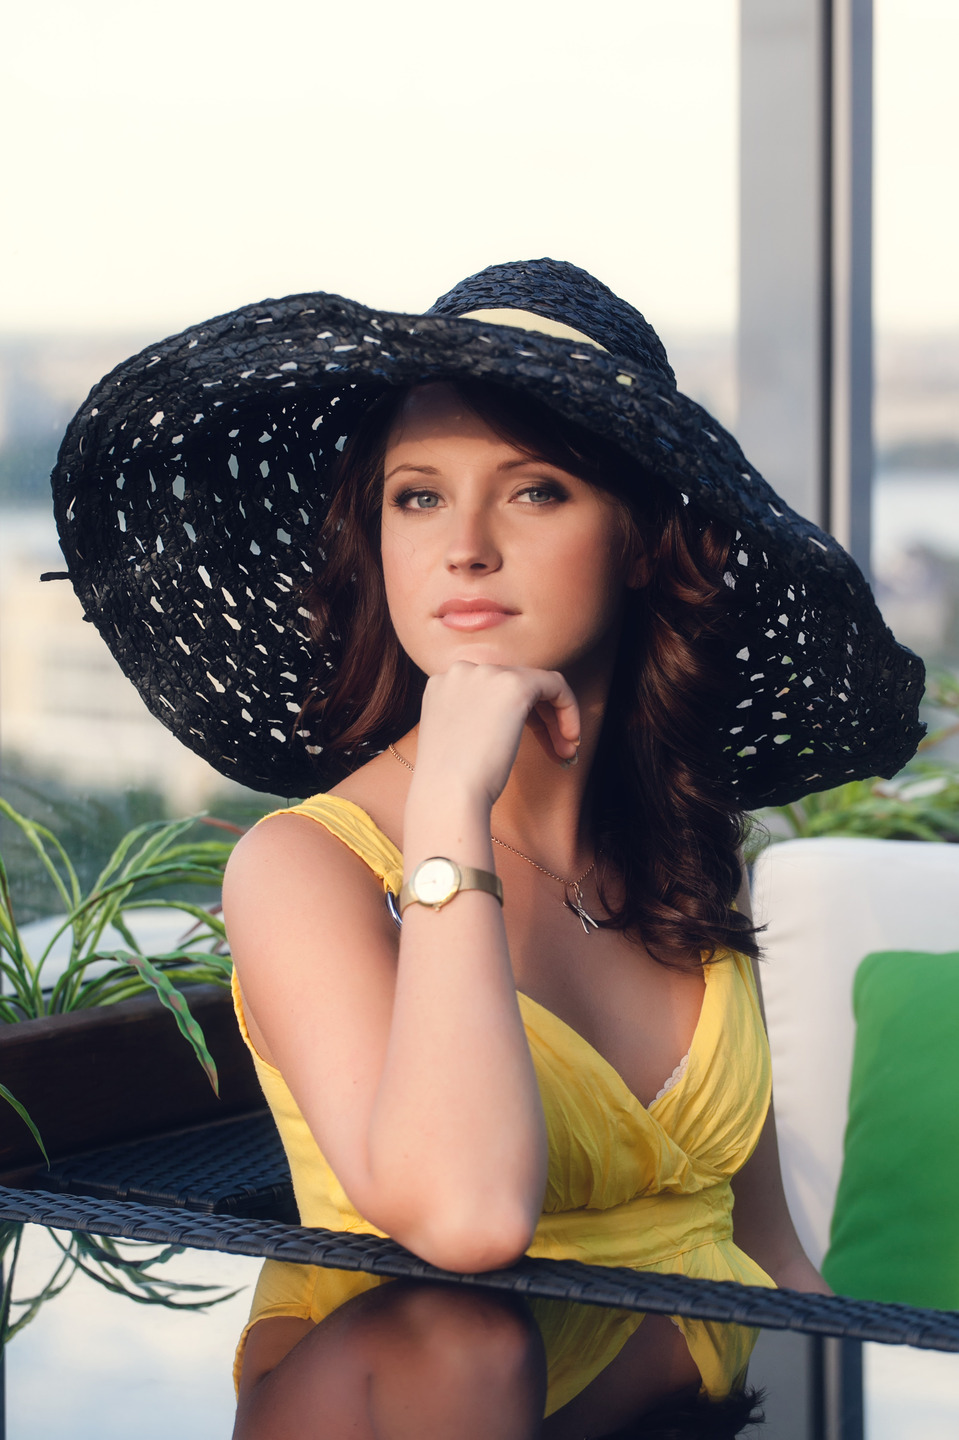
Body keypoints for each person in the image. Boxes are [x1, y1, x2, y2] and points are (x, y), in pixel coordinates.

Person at [49, 258, 925, 1403]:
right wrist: (450, 801)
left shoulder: (690, 849)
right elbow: (464, 1218)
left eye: (534, 490)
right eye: (416, 496)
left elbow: (766, 1258)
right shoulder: (304, 868)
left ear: (643, 538)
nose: (462, 544)